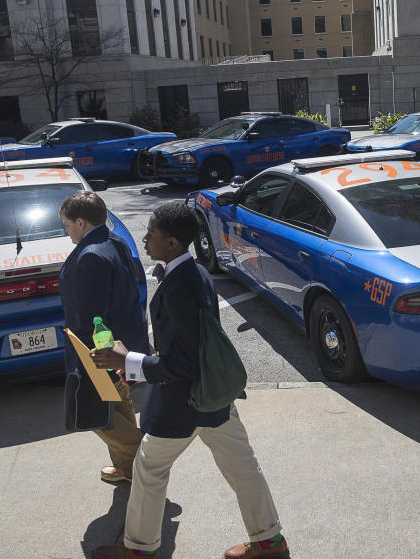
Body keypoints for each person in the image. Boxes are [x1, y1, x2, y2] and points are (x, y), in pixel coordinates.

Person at [91, 203, 288, 559]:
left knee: (149, 470)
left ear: (172, 243)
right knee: (243, 467)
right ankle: (270, 542)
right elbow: (187, 347)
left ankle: (138, 550)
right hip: (215, 399)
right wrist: (138, 368)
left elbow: (182, 363)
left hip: (183, 404)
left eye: (151, 232)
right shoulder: (195, 272)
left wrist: (129, 361)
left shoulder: (179, 286)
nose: (145, 237)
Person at [59, 191, 150, 483]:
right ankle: (127, 470)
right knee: (120, 406)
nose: (67, 230)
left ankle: (146, 460)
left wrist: (85, 363)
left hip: (101, 353)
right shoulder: (116, 242)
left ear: (81, 222)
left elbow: (90, 319)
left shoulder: (88, 257)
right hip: (125, 346)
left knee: (94, 416)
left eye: (67, 224)